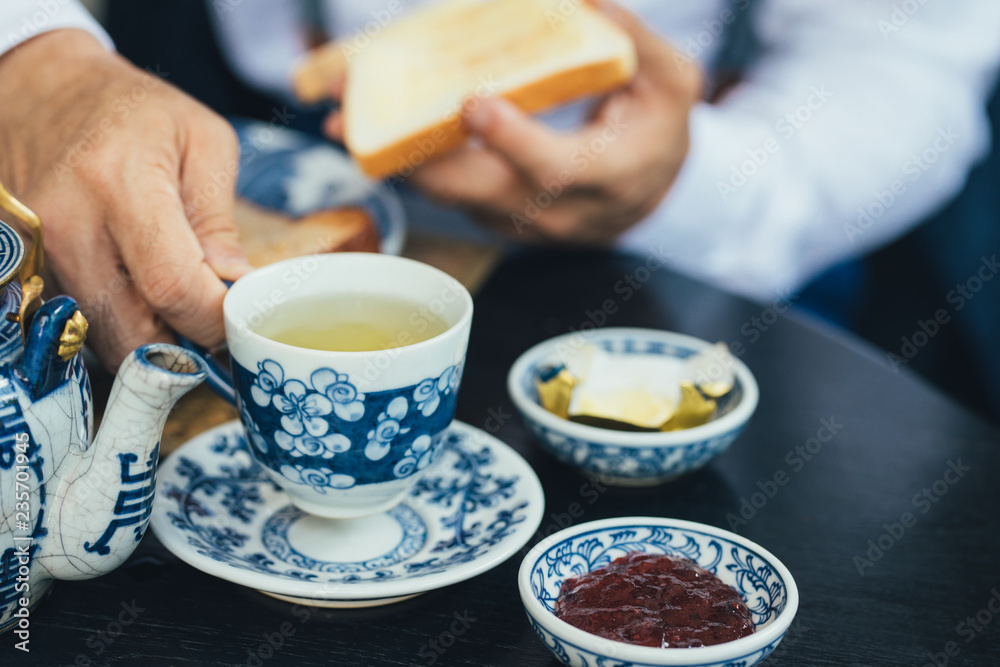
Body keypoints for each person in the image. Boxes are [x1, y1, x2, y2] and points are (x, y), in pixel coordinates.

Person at [1, 0, 999, 372]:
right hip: (214, 97)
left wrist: (693, 182)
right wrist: (33, 56)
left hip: (691, 244)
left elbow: (905, 57)